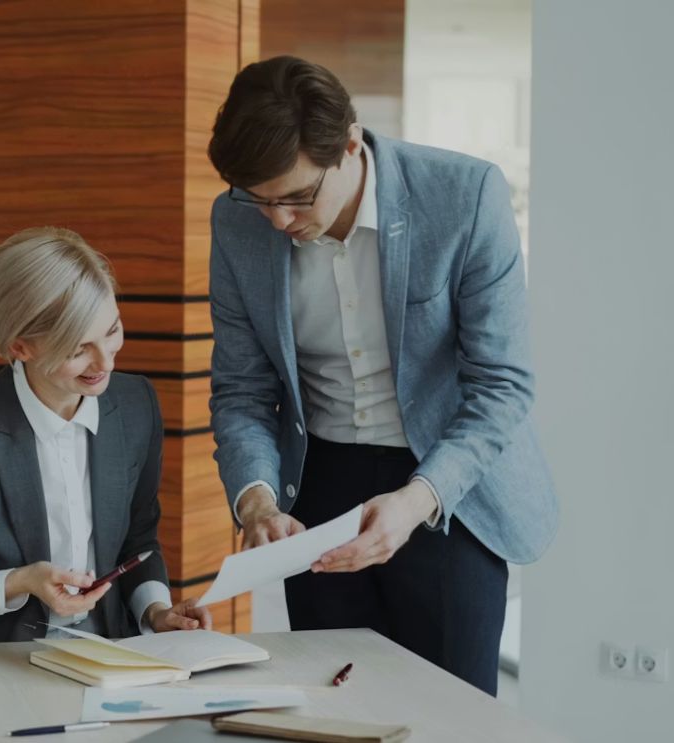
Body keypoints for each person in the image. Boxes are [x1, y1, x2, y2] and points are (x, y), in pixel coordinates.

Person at [206, 56, 558, 694]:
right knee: (332, 702)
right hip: (318, 489)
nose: (278, 220)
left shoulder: (464, 196)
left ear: (349, 145)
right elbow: (243, 390)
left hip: (446, 487)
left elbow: (501, 385)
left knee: (452, 714)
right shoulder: (234, 222)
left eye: (296, 197)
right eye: (259, 200)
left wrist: (418, 500)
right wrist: (256, 500)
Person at [0, 226, 211, 643]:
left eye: (111, 331)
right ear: (21, 347)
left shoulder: (135, 405)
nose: (105, 363)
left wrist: (157, 612)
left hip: (107, 651)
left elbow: (138, 541)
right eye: (78, 349)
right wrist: (19, 582)